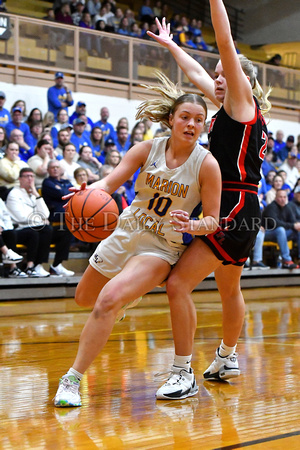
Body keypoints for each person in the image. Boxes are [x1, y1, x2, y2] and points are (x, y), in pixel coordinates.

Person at [53, 70, 222, 407]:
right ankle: (127, 296)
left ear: (204, 125)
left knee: (107, 301)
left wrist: (192, 225)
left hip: (161, 246)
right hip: (126, 230)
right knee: (85, 298)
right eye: (185, 117)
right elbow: (109, 184)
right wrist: (88, 191)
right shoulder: (147, 149)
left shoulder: (207, 165)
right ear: (171, 119)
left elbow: (213, 221)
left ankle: (71, 380)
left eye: (199, 120)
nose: (191, 124)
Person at [147, 0, 272, 399]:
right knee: (229, 289)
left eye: (225, 74)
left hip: (232, 208)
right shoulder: (229, 109)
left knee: (178, 284)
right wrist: (171, 46)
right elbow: (199, 71)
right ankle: (227, 355)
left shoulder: (240, 103)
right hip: (244, 208)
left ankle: (182, 372)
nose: (217, 79)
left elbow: (224, 41)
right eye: (217, 77)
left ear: (242, 80)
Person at [6, 167, 53, 277]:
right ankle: (30, 266)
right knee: (35, 232)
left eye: (32, 176)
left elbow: (46, 214)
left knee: (49, 230)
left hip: (32, 227)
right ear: (20, 179)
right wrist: (40, 220)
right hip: (18, 229)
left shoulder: (33, 194)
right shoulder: (14, 194)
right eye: (27, 176)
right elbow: (21, 217)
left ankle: (37, 265)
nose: (30, 179)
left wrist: (37, 194)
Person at [41, 161, 75, 277]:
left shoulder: (66, 182)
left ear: (61, 170)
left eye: (57, 167)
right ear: (48, 170)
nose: (55, 169)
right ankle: (38, 265)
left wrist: (63, 191)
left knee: (66, 231)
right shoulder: (47, 182)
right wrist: (64, 192)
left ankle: (57, 265)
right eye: (52, 167)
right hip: (52, 221)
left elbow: (73, 193)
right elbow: (63, 193)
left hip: (66, 220)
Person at [262, 189, 300, 269]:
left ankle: (299, 258)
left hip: (282, 234)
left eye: (284, 197)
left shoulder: (287, 207)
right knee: (280, 229)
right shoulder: (271, 207)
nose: (283, 199)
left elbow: (293, 221)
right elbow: (275, 224)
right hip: (267, 233)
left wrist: (296, 225)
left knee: (298, 230)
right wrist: (293, 225)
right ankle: (286, 260)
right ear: (276, 198)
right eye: (280, 197)